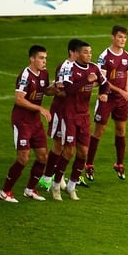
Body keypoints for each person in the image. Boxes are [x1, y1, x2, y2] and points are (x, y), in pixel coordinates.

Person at [49, 40, 110, 201]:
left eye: (90, 52)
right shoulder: (69, 68)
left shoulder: (94, 68)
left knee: (83, 152)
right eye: (85, 52)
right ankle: (56, 185)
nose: (89, 55)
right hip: (69, 115)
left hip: (84, 116)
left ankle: (72, 186)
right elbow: (68, 90)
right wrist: (86, 80)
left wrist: (104, 93)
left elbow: (105, 84)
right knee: (68, 151)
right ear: (77, 54)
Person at [0, 45, 58, 203]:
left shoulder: (44, 73)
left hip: (35, 121)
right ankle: (5, 191)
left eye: (45, 58)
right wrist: (40, 108)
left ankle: (30, 189)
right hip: (22, 121)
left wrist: (55, 88)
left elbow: (45, 90)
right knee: (23, 158)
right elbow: (19, 99)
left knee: (42, 156)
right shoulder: (25, 75)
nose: (44, 61)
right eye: (41, 58)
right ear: (32, 59)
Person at [86, 25, 128, 181]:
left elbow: (126, 76)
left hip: (121, 100)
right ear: (113, 37)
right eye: (120, 37)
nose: (122, 40)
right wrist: (121, 91)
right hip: (106, 98)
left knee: (121, 130)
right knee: (99, 131)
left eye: (125, 37)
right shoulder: (104, 56)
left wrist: (127, 96)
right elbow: (103, 80)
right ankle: (89, 164)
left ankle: (119, 163)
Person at [40, 38, 82, 194]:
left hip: (74, 112)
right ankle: (47, 177)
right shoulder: (64, 67)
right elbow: (60, 91)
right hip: (61, 111)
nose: (83, 54)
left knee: (69, 147)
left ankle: (59, 176)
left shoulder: (83, 67)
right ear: (72, 52)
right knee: (59, 145)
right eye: (80, 52)